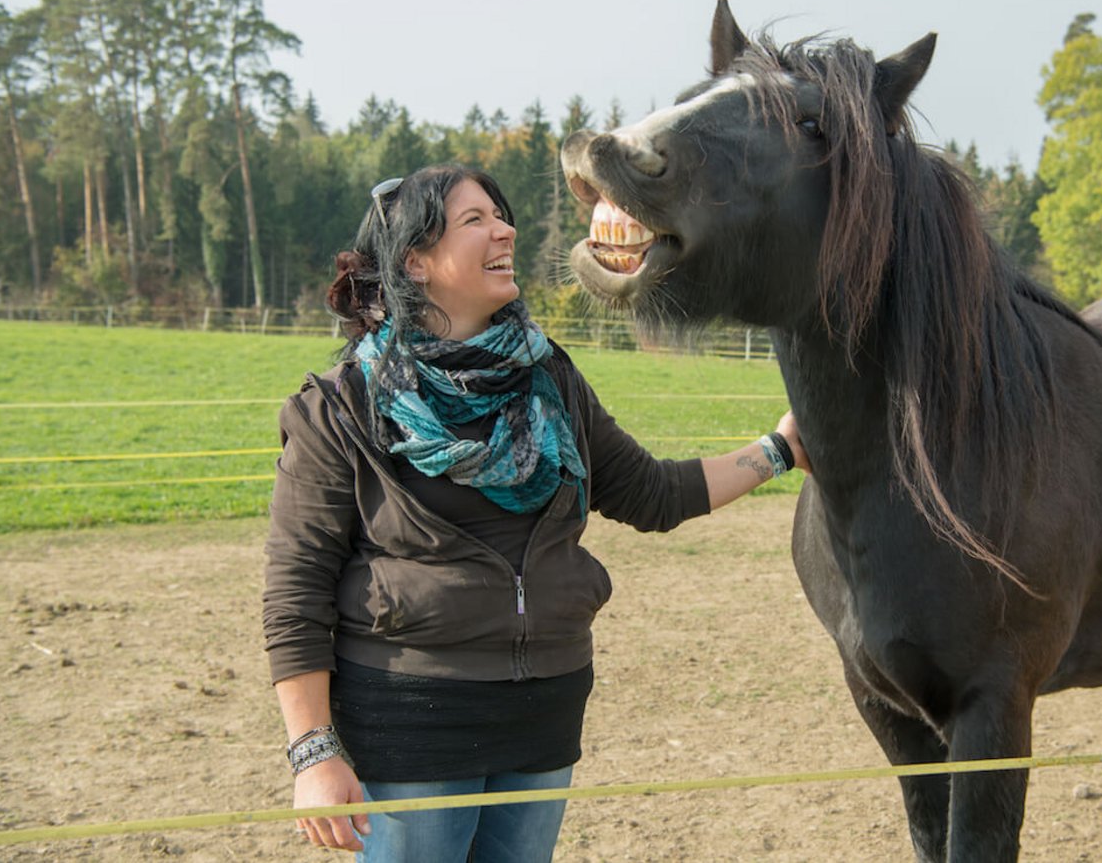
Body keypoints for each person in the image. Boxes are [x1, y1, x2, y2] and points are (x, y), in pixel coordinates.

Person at [262, 163, 808, 862]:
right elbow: (296, 592)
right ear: (416, 262)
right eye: (474, 220)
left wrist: (779, 451)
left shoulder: (549, 378)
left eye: (501, 213)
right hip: (412, 721)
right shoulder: (341, 407)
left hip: (544, 711)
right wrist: (313, 753)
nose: (505, 229)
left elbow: (651, 492)